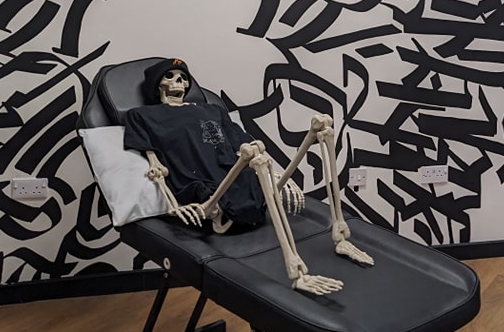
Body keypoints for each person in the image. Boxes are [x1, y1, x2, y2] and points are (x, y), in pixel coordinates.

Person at [123, 58, 372, 295]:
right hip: (205, 192)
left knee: (323, 128)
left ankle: (340, 236)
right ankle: (298, 274)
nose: (179, 83)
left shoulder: (211, 110)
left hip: (240, 183)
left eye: (183, 78)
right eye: (170, 77)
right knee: (258, 159)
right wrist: (173, 204)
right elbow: (154, 163)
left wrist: (276, 174)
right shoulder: (142, 115)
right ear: (157, 84)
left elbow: (244, 144)